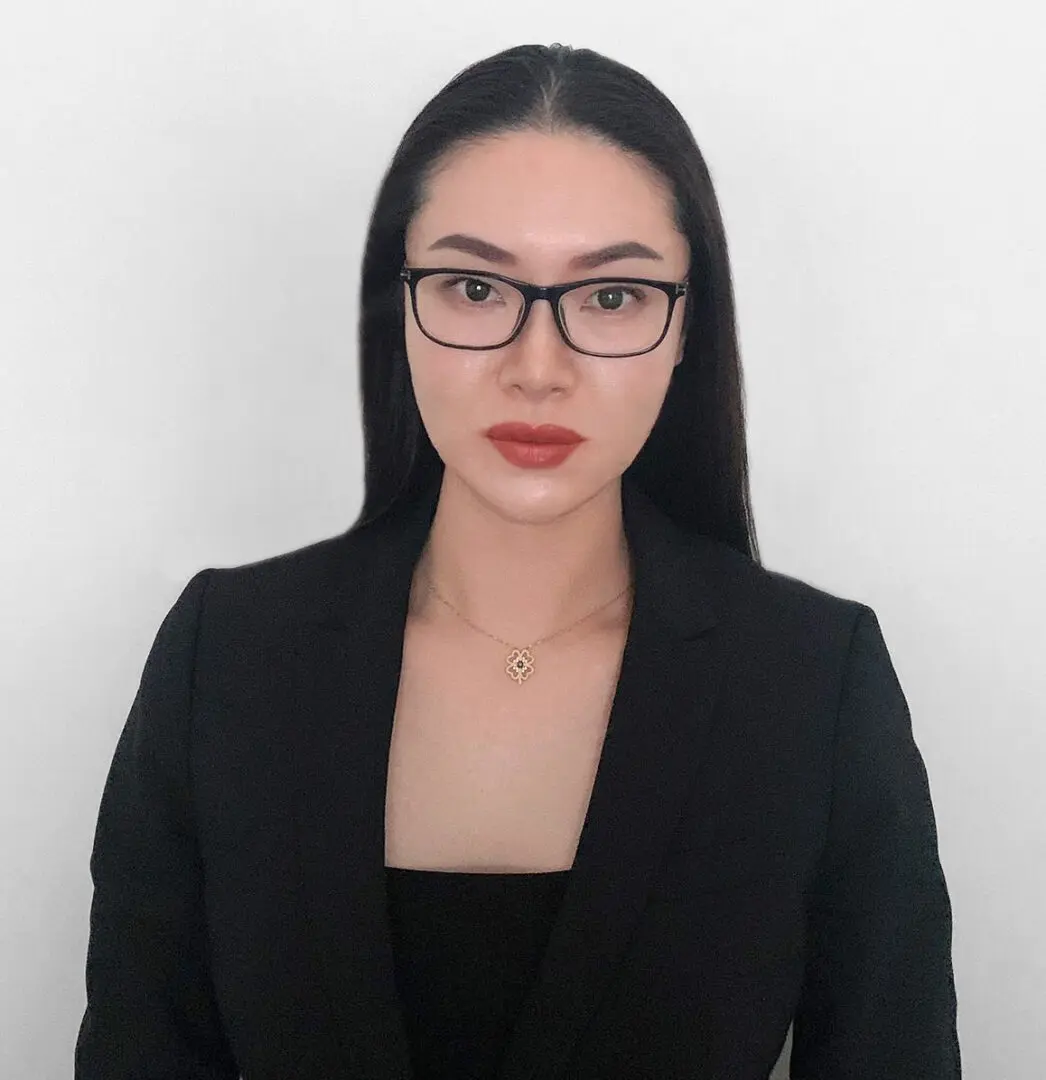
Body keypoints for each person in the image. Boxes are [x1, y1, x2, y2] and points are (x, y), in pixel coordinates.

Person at [74, 42, 961, 1080]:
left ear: (686, 329)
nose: (535, 370)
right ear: (396, 309)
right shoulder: (225, 659)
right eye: (473, 287)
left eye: (613, 298)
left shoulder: (812, 682)